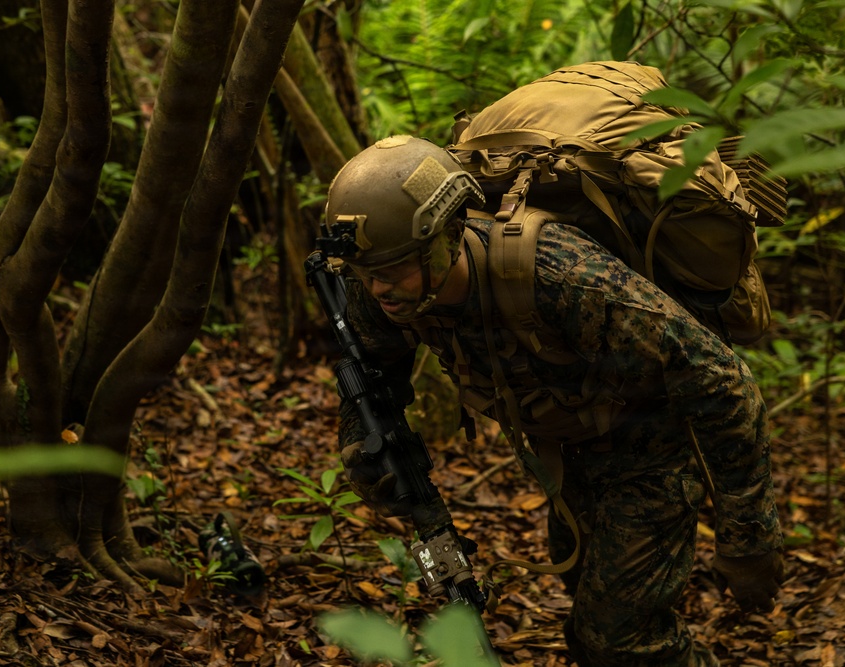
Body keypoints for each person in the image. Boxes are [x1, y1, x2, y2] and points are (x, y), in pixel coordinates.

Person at [323, 134, 784, 667]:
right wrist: (362, 442)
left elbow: (722, 380)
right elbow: (372, 367)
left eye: (391, 270)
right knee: (588, 611)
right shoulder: (383, 284)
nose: (377, 289)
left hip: (653, 452)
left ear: (447, 236)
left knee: (619, 641)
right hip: (569, 455)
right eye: (364, 275)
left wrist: (748, 537)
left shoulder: (561, 276)